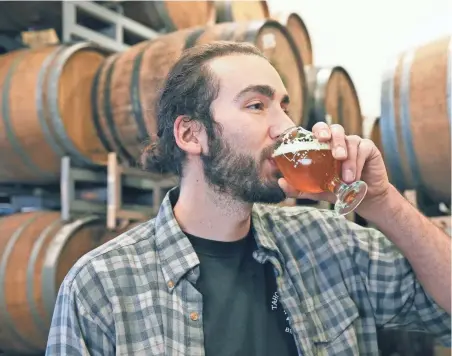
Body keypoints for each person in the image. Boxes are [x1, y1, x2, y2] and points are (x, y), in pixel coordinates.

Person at [45, 41, 451, 356]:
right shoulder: (102, 284)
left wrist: (380, 201)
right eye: (257, 105)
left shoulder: (329, 243)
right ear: (191, 135)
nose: (288, 127)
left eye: (285, 107)